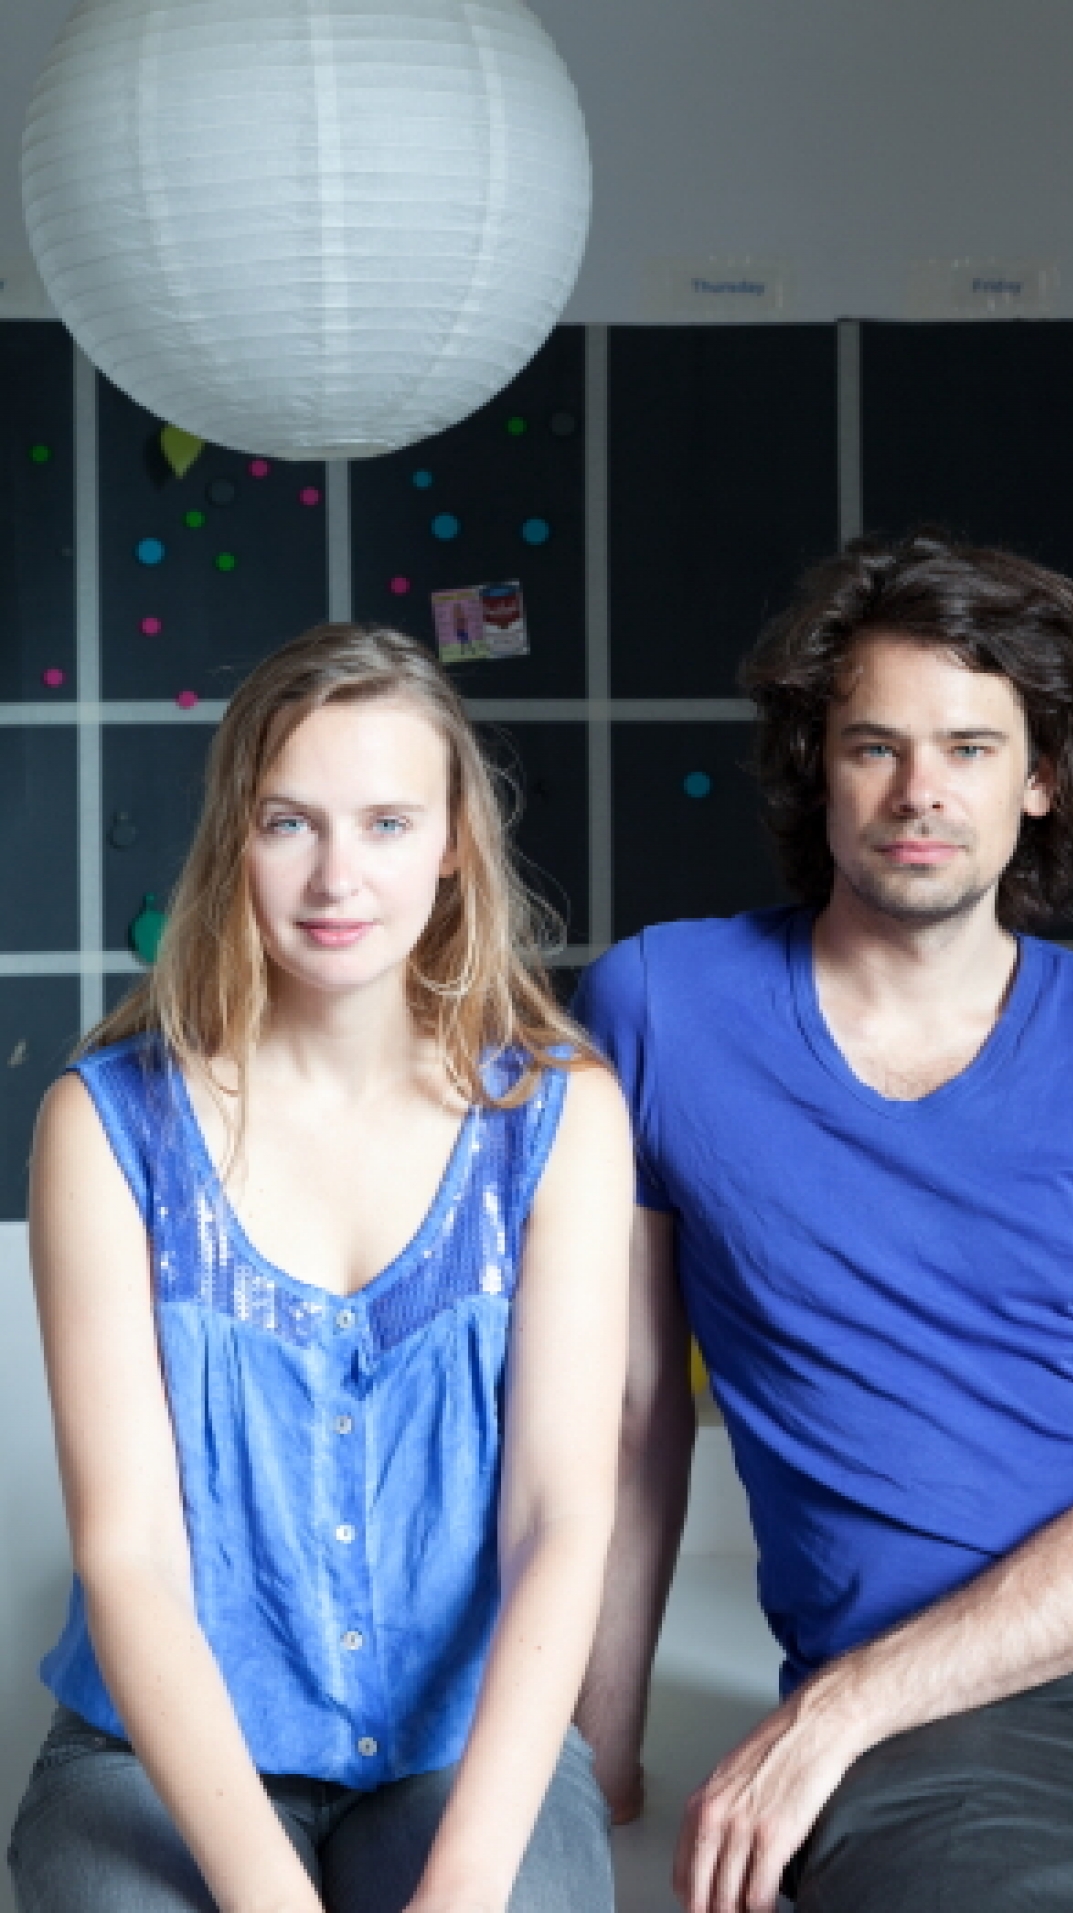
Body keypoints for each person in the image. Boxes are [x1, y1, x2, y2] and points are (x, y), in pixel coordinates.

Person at [572, 532, 1073, 1913]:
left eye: (969, 747)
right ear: (817, 771)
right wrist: (597, 1767)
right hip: (947, 1751)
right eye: (875, 747)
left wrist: (832, 1713)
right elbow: (631, 1418)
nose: (921, 792)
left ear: (1040, 777)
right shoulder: (660, 1006)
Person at [9, 624, 632, 1913]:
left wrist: (465, 1887)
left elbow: (560, 1519)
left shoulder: (560, 1115)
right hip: (157, 1759)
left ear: (453, 841)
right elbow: (128, 1555)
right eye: (289, 823)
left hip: (462, 1753)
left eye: (387, 824)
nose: (337, 877)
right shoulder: (105, 1124)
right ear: (233, 838)